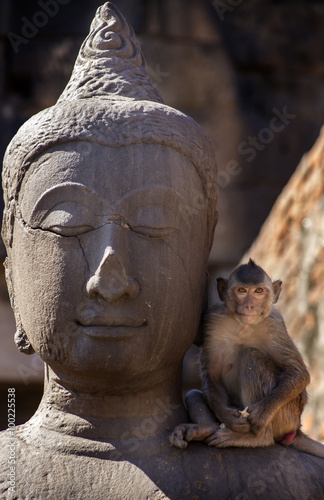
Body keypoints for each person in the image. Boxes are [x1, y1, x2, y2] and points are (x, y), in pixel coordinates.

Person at [0, 3, 323, 499]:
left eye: (154, 223)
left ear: (203, 270)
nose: (110, 278)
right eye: (68, 222)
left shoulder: (295, 485)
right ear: (10, 274)